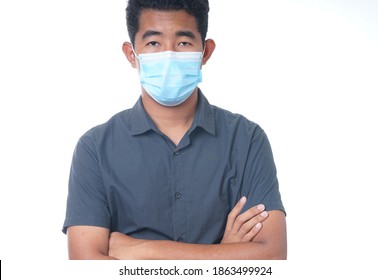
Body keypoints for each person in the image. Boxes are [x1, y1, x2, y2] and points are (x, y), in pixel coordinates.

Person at [63, 0, 287, 260]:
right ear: (131, 54)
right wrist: (223, 254)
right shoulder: (95, 148)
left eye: (183, 43)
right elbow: (86, 267)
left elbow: (271, 255)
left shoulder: (247, 140)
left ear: (205, 52)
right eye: (153, 43)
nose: (168, 55)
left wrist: (141, 249)